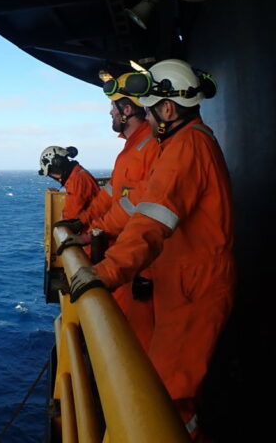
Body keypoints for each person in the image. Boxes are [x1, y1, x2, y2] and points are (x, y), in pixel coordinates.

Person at [62, 59, 235, 441]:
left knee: (169, 399)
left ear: (167, 109)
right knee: (163, 386)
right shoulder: (184, 143)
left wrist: (107, 271)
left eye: (151, 108)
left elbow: (152, 219)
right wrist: (93, 235)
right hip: (184, 281)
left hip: (194, 286)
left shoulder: (187, 147)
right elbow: (142, 207)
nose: (147, 115)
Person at [57, 73, 160, 352]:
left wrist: (88, 234)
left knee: (143, 342)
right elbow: (109, 196)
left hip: (143, 261)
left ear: (128, 109)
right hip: (124, 253)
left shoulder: (150, 146)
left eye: (114, 106)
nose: (110, 112)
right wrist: (81, 222)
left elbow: (134, 206)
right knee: (122, 329)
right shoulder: (130, 149)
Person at [38, 145, 99, 219]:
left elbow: (71, 218)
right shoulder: (76, 174)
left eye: (51, 174)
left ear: (56, 167)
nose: (54, 178)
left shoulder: (77, 180)